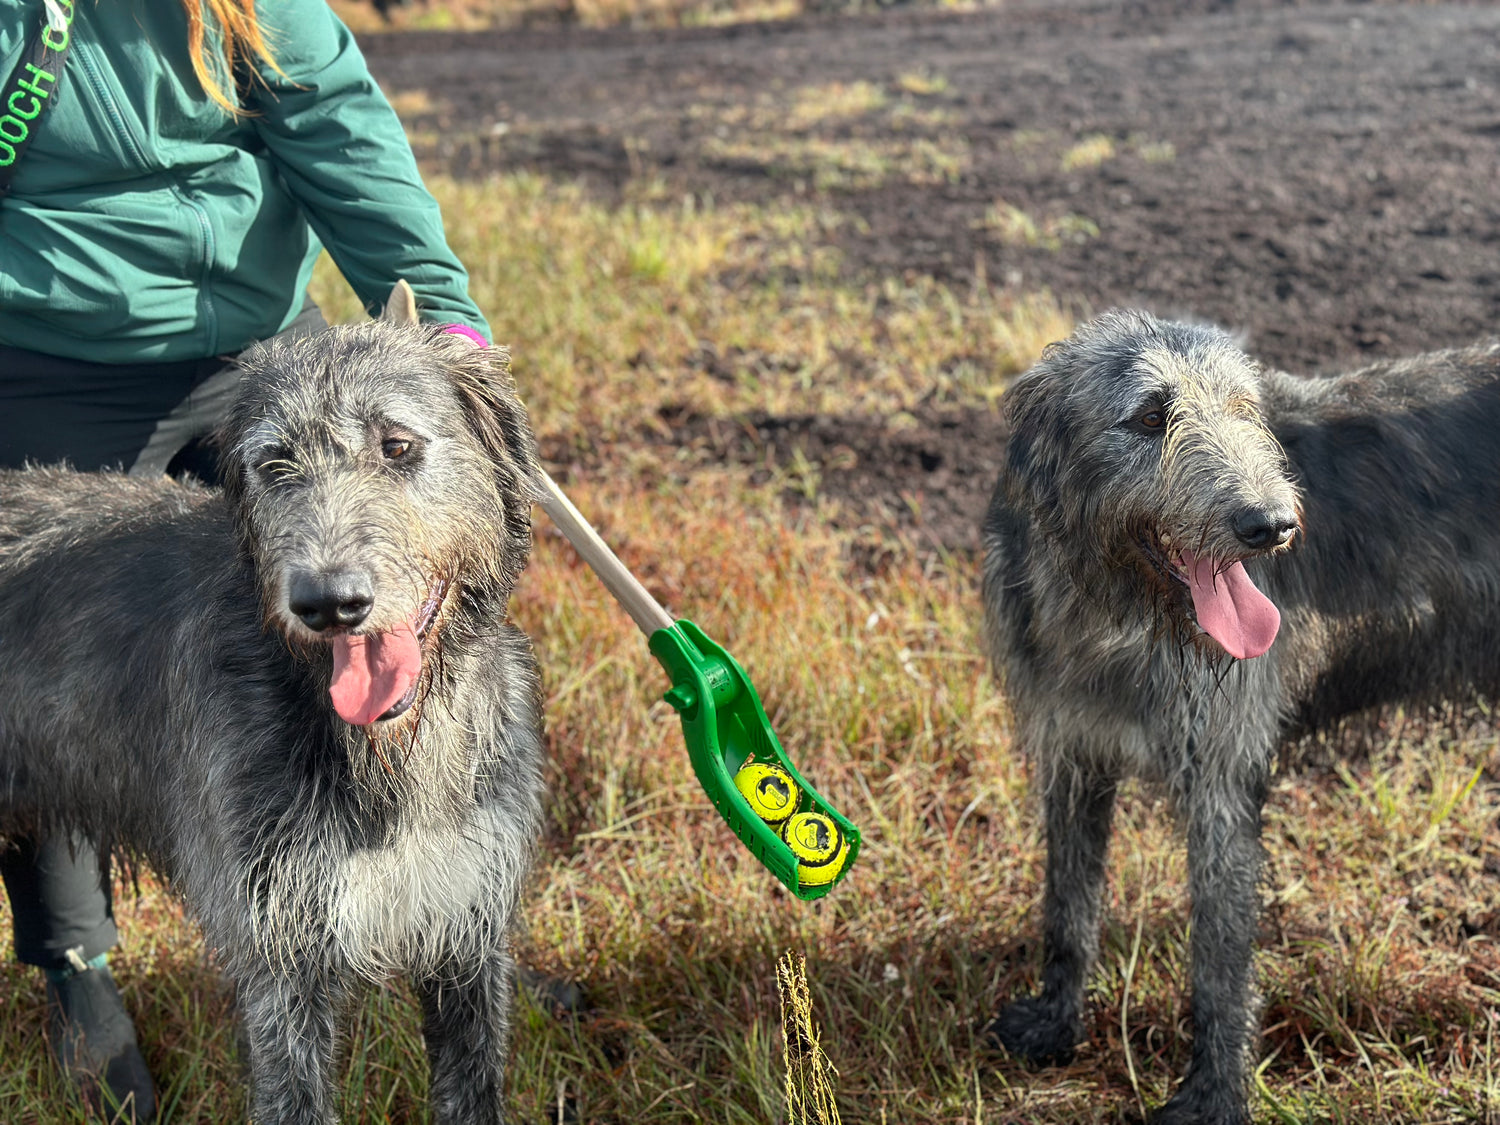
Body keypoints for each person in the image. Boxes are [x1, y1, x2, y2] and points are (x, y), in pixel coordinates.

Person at [0, 0, 490, 1116]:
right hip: (44, 357)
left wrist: (448, 329)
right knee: (53, 663)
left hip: (261, 348)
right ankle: (78, 964)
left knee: (364, 594)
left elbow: (341, 133)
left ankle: (429, 904)